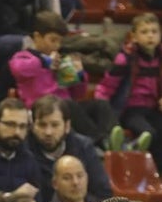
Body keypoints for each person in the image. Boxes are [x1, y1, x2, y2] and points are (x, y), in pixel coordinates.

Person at [9, 11, 115, 145]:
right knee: (66, 104)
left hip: (65, 108)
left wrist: (80, 75)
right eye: (53, 40)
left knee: (100, 105)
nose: (57, 46)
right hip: (41, 109)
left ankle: (111, 140)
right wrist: (45, 62)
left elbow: (77, 94)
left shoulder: (60, 60)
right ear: (37, 37)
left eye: (59, 41)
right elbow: (19, 69)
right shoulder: (24, 57)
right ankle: (99, 142)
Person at [95, 13, 162, 171]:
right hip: (130, 110)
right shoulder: (126, 58)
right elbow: (108, 84)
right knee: (149, 133)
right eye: (144, 32)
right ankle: (138, 170)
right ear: (134, 36)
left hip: (154, 108)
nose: (150, 36)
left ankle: (157, 172)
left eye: (154, 31)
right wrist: (103, 106)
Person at [27, 95, 113, 202]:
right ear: (33, 126)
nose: (48, 132)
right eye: (42, 125)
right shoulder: (25, 151)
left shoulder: (83, 147)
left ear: (67, 126)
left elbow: (103, 195)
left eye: (55, 125)